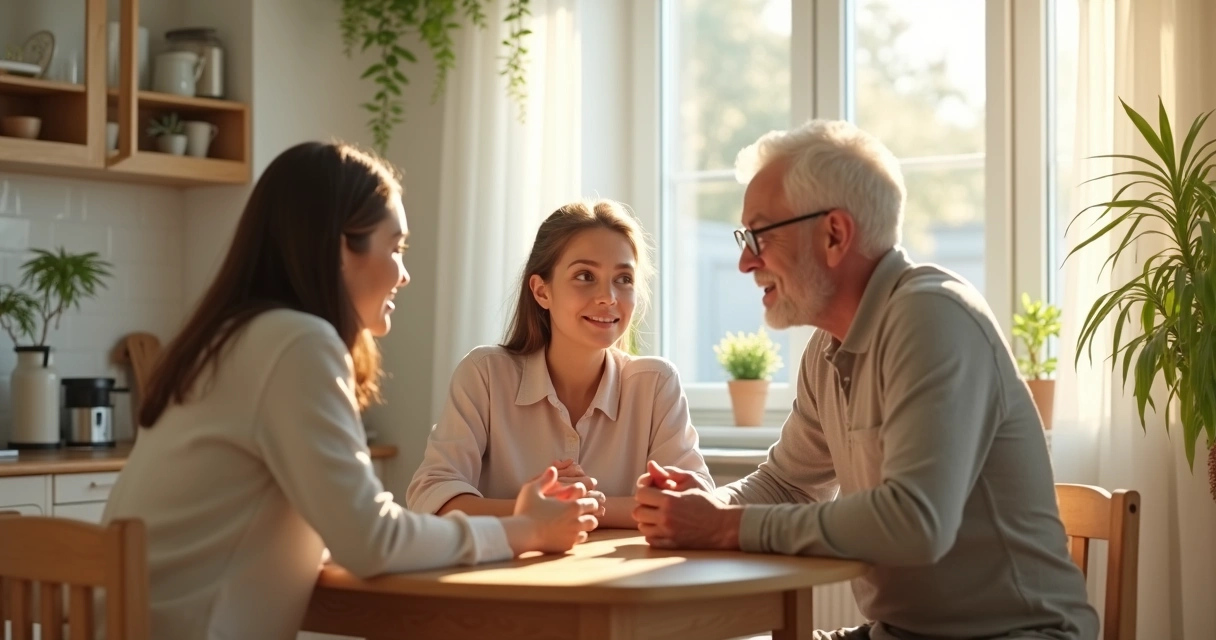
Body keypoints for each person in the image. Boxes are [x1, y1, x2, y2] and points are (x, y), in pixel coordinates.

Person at [100, 142, 599, 640]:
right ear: (342, 247)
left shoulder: (228, 337)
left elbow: (343, 530)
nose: (404, 275)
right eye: (396, 247)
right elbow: (370, 540)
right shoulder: (294, 342)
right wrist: (524, 529)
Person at [632, 120, 1099, 640]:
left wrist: (723, 527)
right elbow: (788, 484)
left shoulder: (932, 316)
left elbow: (915, 524)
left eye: (760, 234)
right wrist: (705, 505)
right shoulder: (826, 348)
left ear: (834, 234)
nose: (745, 261)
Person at [407, 200, 712, 529]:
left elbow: (694, 503)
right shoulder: (485, 375)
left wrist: (574, 505)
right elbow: (431, 496)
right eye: (585, 276)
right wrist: (529, 511)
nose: (608, 296)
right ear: (541, 291)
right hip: (506, 578)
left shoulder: (656, 384)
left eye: (623, 279)